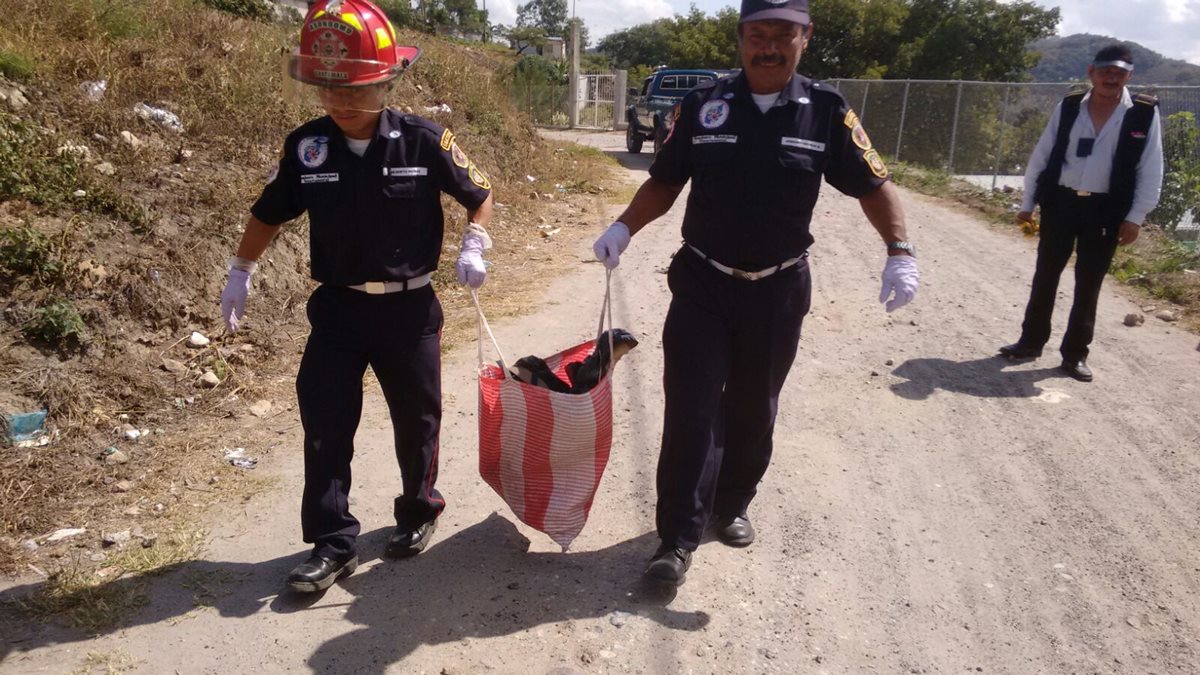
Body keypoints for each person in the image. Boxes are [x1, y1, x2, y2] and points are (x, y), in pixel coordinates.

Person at [592, 0, 919, 586]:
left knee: (753, 404)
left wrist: (899, 251)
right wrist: (624, 227)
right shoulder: (703, 105)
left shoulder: (826, 111)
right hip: (702, 281)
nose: (768, 46)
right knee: (691, 408)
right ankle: (676, 538)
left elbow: (873, 184)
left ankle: (734, 501)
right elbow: (666, 181)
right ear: (741, 39)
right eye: (757, 34)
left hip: (778, 289)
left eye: (782, 34)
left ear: (806, 38)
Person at [218, 0, 495, 593]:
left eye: (355, 89)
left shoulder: (422, 140)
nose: (339, 102)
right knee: (324, 422)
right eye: (327, 89)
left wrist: (476, 240)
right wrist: (240, 269)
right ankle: (332, 541)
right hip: (340, 309)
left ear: (386, 79)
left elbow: (480, 191)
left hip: (409, 309)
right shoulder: (308, 147)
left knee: (416, 421)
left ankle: (418, 512)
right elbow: (267, 213)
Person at [999, 44, 1163, 382]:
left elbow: (1151, 168)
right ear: (1091, 72)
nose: (1111, 78)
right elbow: (1042, 154)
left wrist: (1136, 217)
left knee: (1089, 283)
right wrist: (1027, 203)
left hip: (1106, 210)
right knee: (1046, 274)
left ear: (1129, 76)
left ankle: (1075, 355)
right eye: (1105, 71)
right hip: (1061, 202)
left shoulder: (1144, 113)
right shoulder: (1070, 106)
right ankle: (1030, 343)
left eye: (1119, 73)